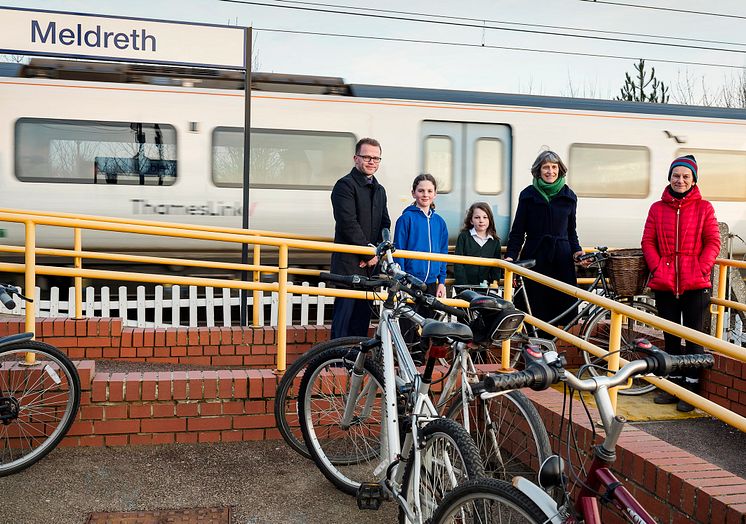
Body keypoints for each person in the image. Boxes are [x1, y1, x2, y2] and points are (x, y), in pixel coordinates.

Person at [642, 154, 720, 412]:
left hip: (695, 284)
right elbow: (648, 242)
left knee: (694, 339)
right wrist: (657, 267)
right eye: (676, 175)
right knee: (671, 338)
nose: (680, 180)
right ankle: (672, 386)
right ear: (670, 177)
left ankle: (691, 390)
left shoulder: (704, 208)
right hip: (665, 284)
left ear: (693, 180)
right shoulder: (657, 208)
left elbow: (713, 242)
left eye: (686, 176)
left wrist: (701, 267)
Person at [504, 150, 585, 327]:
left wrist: (577, 251)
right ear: (538, 170)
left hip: (562, 261)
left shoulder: (569, 196)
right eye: (546, 167)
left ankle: (551, 350)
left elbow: (571, 232)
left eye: (554, 167)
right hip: (535, 258)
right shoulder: (528, 195)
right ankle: (536, 348)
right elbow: (517, 231)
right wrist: (511, 255)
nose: (550, 171)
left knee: (560, 311)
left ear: (560, 169)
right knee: (534, 309)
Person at [330, 138, 391, 338]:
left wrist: (378, 251)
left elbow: (385, 223)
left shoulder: (380, 190)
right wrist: (368, 252)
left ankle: (355, 363)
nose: (372, 161)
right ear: (356, 158)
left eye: (376, 158)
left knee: (361, 320)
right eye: (367, 157)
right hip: (349, 265)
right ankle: (336, 363)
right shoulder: (344, 186)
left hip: (370, 266)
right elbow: (348, 224)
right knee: (343, 320)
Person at [393, 174, 448, 356]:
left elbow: (443, 252)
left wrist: (441, 281)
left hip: (431, 282)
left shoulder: (440, 222)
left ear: (435, 194)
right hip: (410, 281)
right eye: (421, 190)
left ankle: (420, 359)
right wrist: (401, 279)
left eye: (429, 191)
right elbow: (398, 251)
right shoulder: (406, 219)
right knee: (408, 322)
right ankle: (407, 357)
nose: (425, 194)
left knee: (427, 322)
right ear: (413, 193)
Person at [454, 202, 502, 287]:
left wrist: (494, 284)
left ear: (490, 220)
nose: (481, 220)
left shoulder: (495, 241)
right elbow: (458, 264)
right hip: (465, 287)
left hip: (486, 288)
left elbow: (496, 268)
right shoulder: (464, 237)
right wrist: (463, 286)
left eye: (485, 217)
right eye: (477, 217)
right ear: (471, 221)